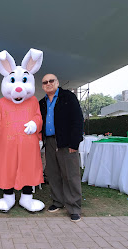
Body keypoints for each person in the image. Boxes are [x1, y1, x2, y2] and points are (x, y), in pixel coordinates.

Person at [39, 74, 84, 222]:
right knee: (53, 173)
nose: (49, 83)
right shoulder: (42, 103)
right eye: (45, 82)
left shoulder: (68, 97)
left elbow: (78, 120)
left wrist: (74, 143)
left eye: (51, 81)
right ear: (42, 86)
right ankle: (57, 201)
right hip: (50, 142)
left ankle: (74, 207)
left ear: (57, 82)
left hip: (66, 142)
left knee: (70, 175)